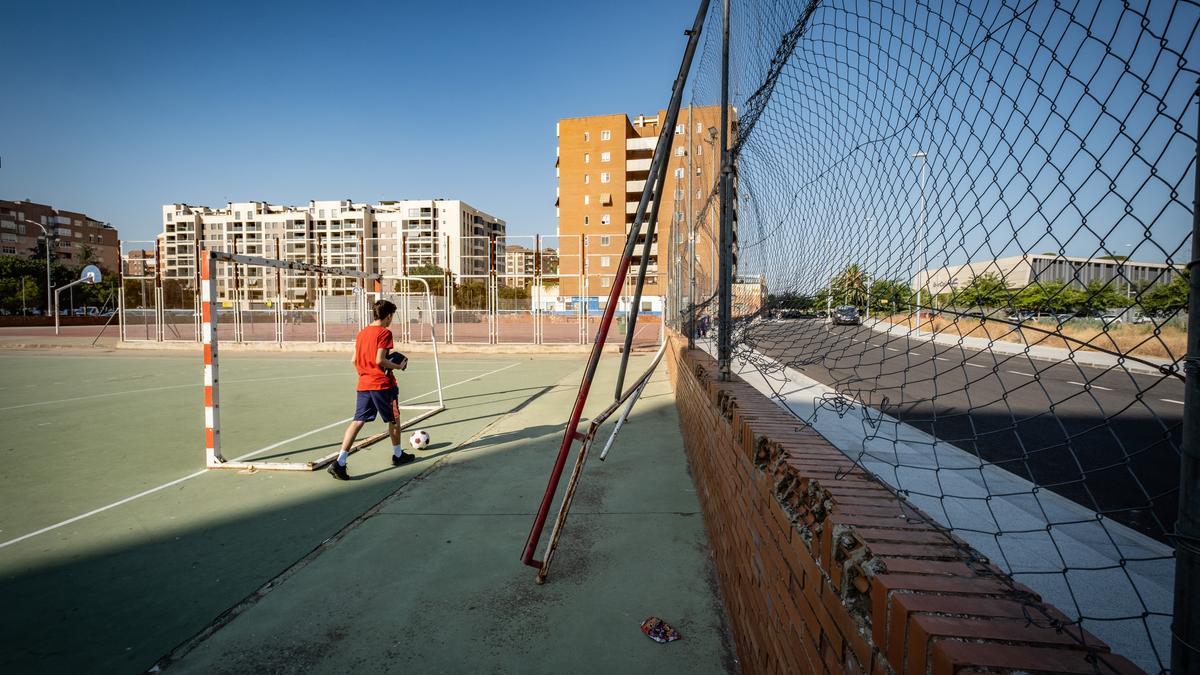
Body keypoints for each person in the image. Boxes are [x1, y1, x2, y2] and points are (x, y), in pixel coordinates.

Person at [328, 299, 415, 481]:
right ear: (388, 316)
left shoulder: (362, 333)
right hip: (382, 385)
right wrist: (398, 366)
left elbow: (353, 360)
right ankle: (397, 455)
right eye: (392, 317)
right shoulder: (384, 332)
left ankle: (340, 461)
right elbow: (379, 360)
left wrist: (365, 373)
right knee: (394, 418)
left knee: (358, 421)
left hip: (364, 383)